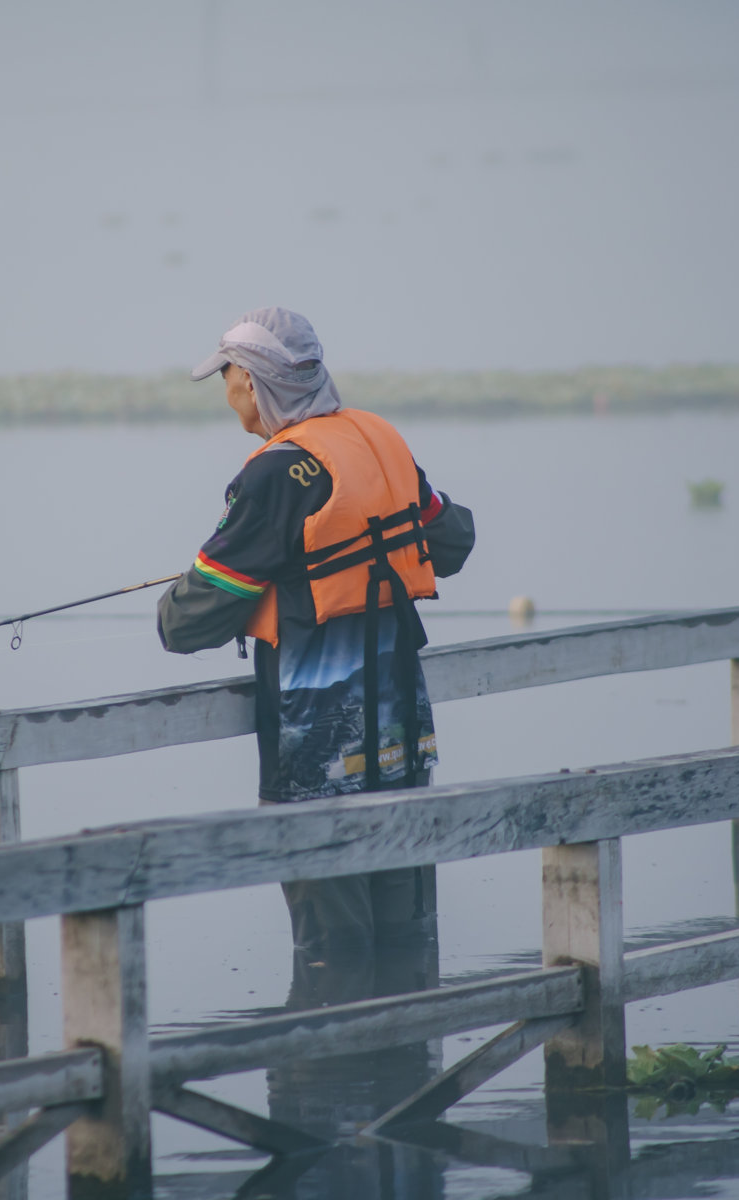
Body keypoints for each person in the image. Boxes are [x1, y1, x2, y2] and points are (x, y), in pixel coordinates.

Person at [157, 307, 475, 952]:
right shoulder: (380, 440)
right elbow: (454, 540)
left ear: (252, 383)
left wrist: (187, 590)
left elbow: (184, 623)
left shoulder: (272, 475)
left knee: (335, 952)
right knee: (410, 938)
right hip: (401, 740)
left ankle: (333, 1021)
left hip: (315, 753)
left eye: (226, 375)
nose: (225, 391)